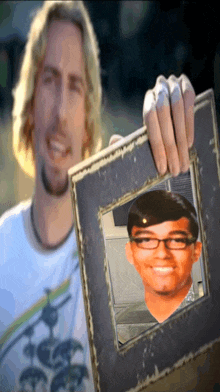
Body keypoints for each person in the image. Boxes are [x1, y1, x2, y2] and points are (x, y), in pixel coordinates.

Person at [0, 1, 196, 391]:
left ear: (89, 116)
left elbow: (186, 329)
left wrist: (178, 151)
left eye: (75, 86)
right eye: (50, 79)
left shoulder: (114, 247)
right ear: (31, 100)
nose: (59, 112)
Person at [125, 190, 202, 324]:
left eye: (177, 240)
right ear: (130, 252)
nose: (162, 253)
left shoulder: (212, 317)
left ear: (196, 251)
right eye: (146, 240)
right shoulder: (119, 326)